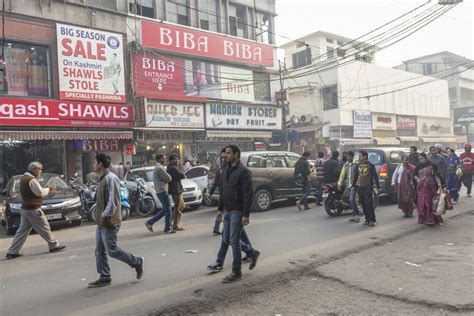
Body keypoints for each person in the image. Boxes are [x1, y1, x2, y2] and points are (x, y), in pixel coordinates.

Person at [88, 154, 143, 288]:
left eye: (95, 162)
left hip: (109, 221)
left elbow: (113, 201)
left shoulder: (111, 179)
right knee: (99, 250)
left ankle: (136, 262)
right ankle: (105, 276)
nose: (94, 165)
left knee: (112, 250)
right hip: (102, 222)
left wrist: (105, 215)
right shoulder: (102, 179)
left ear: (101, 164)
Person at [211, 145, 260, 283]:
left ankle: (236, 271)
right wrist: (220, 209)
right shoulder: (225, 169)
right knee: (226, 239)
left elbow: (248, 194)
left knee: (233, 241)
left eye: (228, 153)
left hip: (237, 211)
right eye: (225, 153)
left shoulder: (243, 172)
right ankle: (251, 252)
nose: (225, 155)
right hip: (227, 209)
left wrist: (246, 214)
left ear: (236, 155)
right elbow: (223, 191)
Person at [5, 162, 66, 260]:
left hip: (26, 209)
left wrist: (49, 193)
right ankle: (54, 245)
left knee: (22, 232)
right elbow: (40, 192)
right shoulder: (31, 180)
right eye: (40, 169)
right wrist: (49, 188)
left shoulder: (24, 178)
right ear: (34, 169)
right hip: (33, 209)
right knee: (44, 227)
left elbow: (35, 193)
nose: (41, 171)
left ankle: (12, 251)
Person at [145, 154, 174, 233]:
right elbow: (169, 178)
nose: (164, 160)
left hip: (160, 191)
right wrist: (167, 179)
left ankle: (150, 222)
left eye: (165, 158)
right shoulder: (159, 168)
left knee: (165, 209)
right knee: (168, 209)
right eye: (162, 159)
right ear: (158, 160)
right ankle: (168, 228)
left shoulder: (158, 168)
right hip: (162, 191)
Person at [414, 152, 444, 226]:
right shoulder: (418, 166)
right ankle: (424, 218)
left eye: (422, 158)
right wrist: (417, 179)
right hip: (421, 187)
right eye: (419, 159)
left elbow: (436, 175)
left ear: (426, 158)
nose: (420, 160)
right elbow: (414, 175)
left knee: (432, 203)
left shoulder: (432, 165)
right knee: (422, 203)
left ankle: (433, 218)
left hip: (431, 187)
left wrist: (439, 184)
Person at [352, 150, 380, 227]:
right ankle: (367, 219)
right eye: (359, 156)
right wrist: (353, 186)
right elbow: (355, 176)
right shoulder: (358, 165)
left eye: (360, 155)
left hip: (368, 187)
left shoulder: (370, 165)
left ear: (365, 156)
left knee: (368, 204)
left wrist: (377, 186)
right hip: (360, 187)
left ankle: (372, 220)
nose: (359, 157)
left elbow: (375, 176)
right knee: (363, 204)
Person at [337, 151, 359, 222]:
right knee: (349, 200)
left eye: (348, 156)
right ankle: (355, 214)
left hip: (355, 185)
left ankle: (356, 215)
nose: (347, 158)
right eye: (347, 156)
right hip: (348, 185)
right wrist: (339, 184)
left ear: (352, 157)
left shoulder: (356, 164)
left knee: (352, 200)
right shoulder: (345, 165)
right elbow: (342, 175)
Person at [209, 148, 227, 235]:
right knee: (221, 210)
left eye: (225, 156)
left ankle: (221, 229)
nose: (223, 159)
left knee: (222, 211)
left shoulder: (230, 168)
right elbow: (216, 181)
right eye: (222, 157)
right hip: (223, 193)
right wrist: (211, 192)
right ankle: (219, 228)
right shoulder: (221, 168)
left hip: (228, 193)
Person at [167, 155, 186, 231]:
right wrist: (181, 171)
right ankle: (175, 225)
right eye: (175, 159)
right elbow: (182, 175)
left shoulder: (172, 167)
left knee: (182, 206)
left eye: (177, 159)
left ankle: (171, 221)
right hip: (176, 190)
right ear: (171, 161)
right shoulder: (173, 168)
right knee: (178, 208)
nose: (177, 161)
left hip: (177, 189)